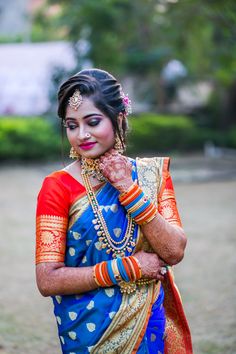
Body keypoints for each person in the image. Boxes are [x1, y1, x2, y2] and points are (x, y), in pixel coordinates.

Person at [35, 68, 192, 354]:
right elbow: (47, 279)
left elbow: (174, 251)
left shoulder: (150, 175)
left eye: (92, 122)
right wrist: (129, 267)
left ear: (119, 118)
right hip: (89, 333)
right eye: (71, 125)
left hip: (147, 323)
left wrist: (128, 189)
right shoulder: (57, 187)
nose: (81, 134)